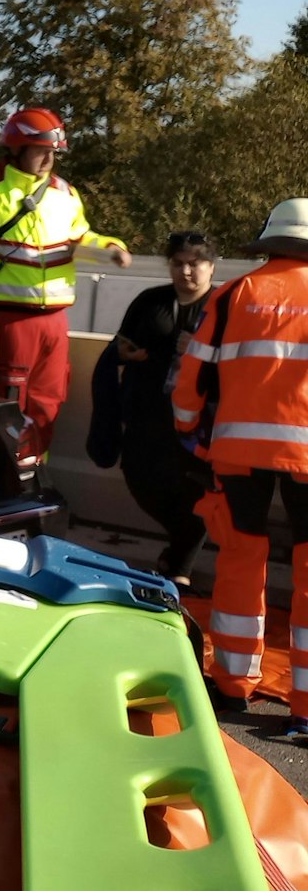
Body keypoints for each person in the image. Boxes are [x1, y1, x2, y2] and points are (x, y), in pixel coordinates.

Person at [173, 199, 308, 733]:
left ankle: (233, 685)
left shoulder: (232, 296)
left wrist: (189, 431)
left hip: (237, 455)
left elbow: (191, 380)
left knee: (240, 559)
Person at [0, 108, 131, 460]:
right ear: (17, 148)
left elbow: (79, 238)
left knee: (48, 402)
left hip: (54, 322)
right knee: (5, 404)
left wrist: (110, 247)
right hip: (5, 321)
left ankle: (33, 472)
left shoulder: (64, 193)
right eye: (42, 150)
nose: (49, 158)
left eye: (54, 151)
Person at [113, 231, 218, 585]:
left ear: (212, 266)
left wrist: (203, 350)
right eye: (178, 263)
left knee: (197, 493)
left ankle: (180, 570)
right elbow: (121, 345)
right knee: (140, 477)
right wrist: (128, 353)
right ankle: (177, 553)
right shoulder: (151, 300)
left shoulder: (226, 304)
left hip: (204, 417)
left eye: (194, 264)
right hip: (149, 410)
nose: (186, 271)